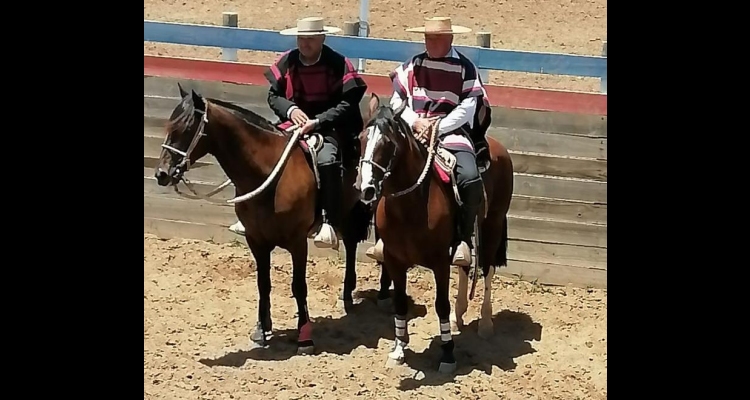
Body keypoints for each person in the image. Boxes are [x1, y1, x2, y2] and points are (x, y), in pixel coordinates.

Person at [228, 17, 368, 251]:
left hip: (327, 127)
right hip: (291, 123)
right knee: (260, 151)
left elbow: (349, 101)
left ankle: (328, 221)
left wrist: (318, 121)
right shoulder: (287, 61)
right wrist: (291, 110)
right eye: (302, 39)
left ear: (322, 39)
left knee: (327, 158)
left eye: (311, 39)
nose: (305, 44)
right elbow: (274, 96)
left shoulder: (337, 63)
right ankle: (250, 216)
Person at [365, 17, 491, 267]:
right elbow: (397, 102)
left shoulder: (465, 67)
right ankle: (382, 237)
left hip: (452, 134)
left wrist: (438, 127)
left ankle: (463, 239)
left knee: (469, 176)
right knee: (383, 166)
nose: (430, 42)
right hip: (414, 131)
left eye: (436, 38)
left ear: (450, 39)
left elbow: (468, 107)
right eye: (427, 38)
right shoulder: (412, 65)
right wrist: (417, 123)